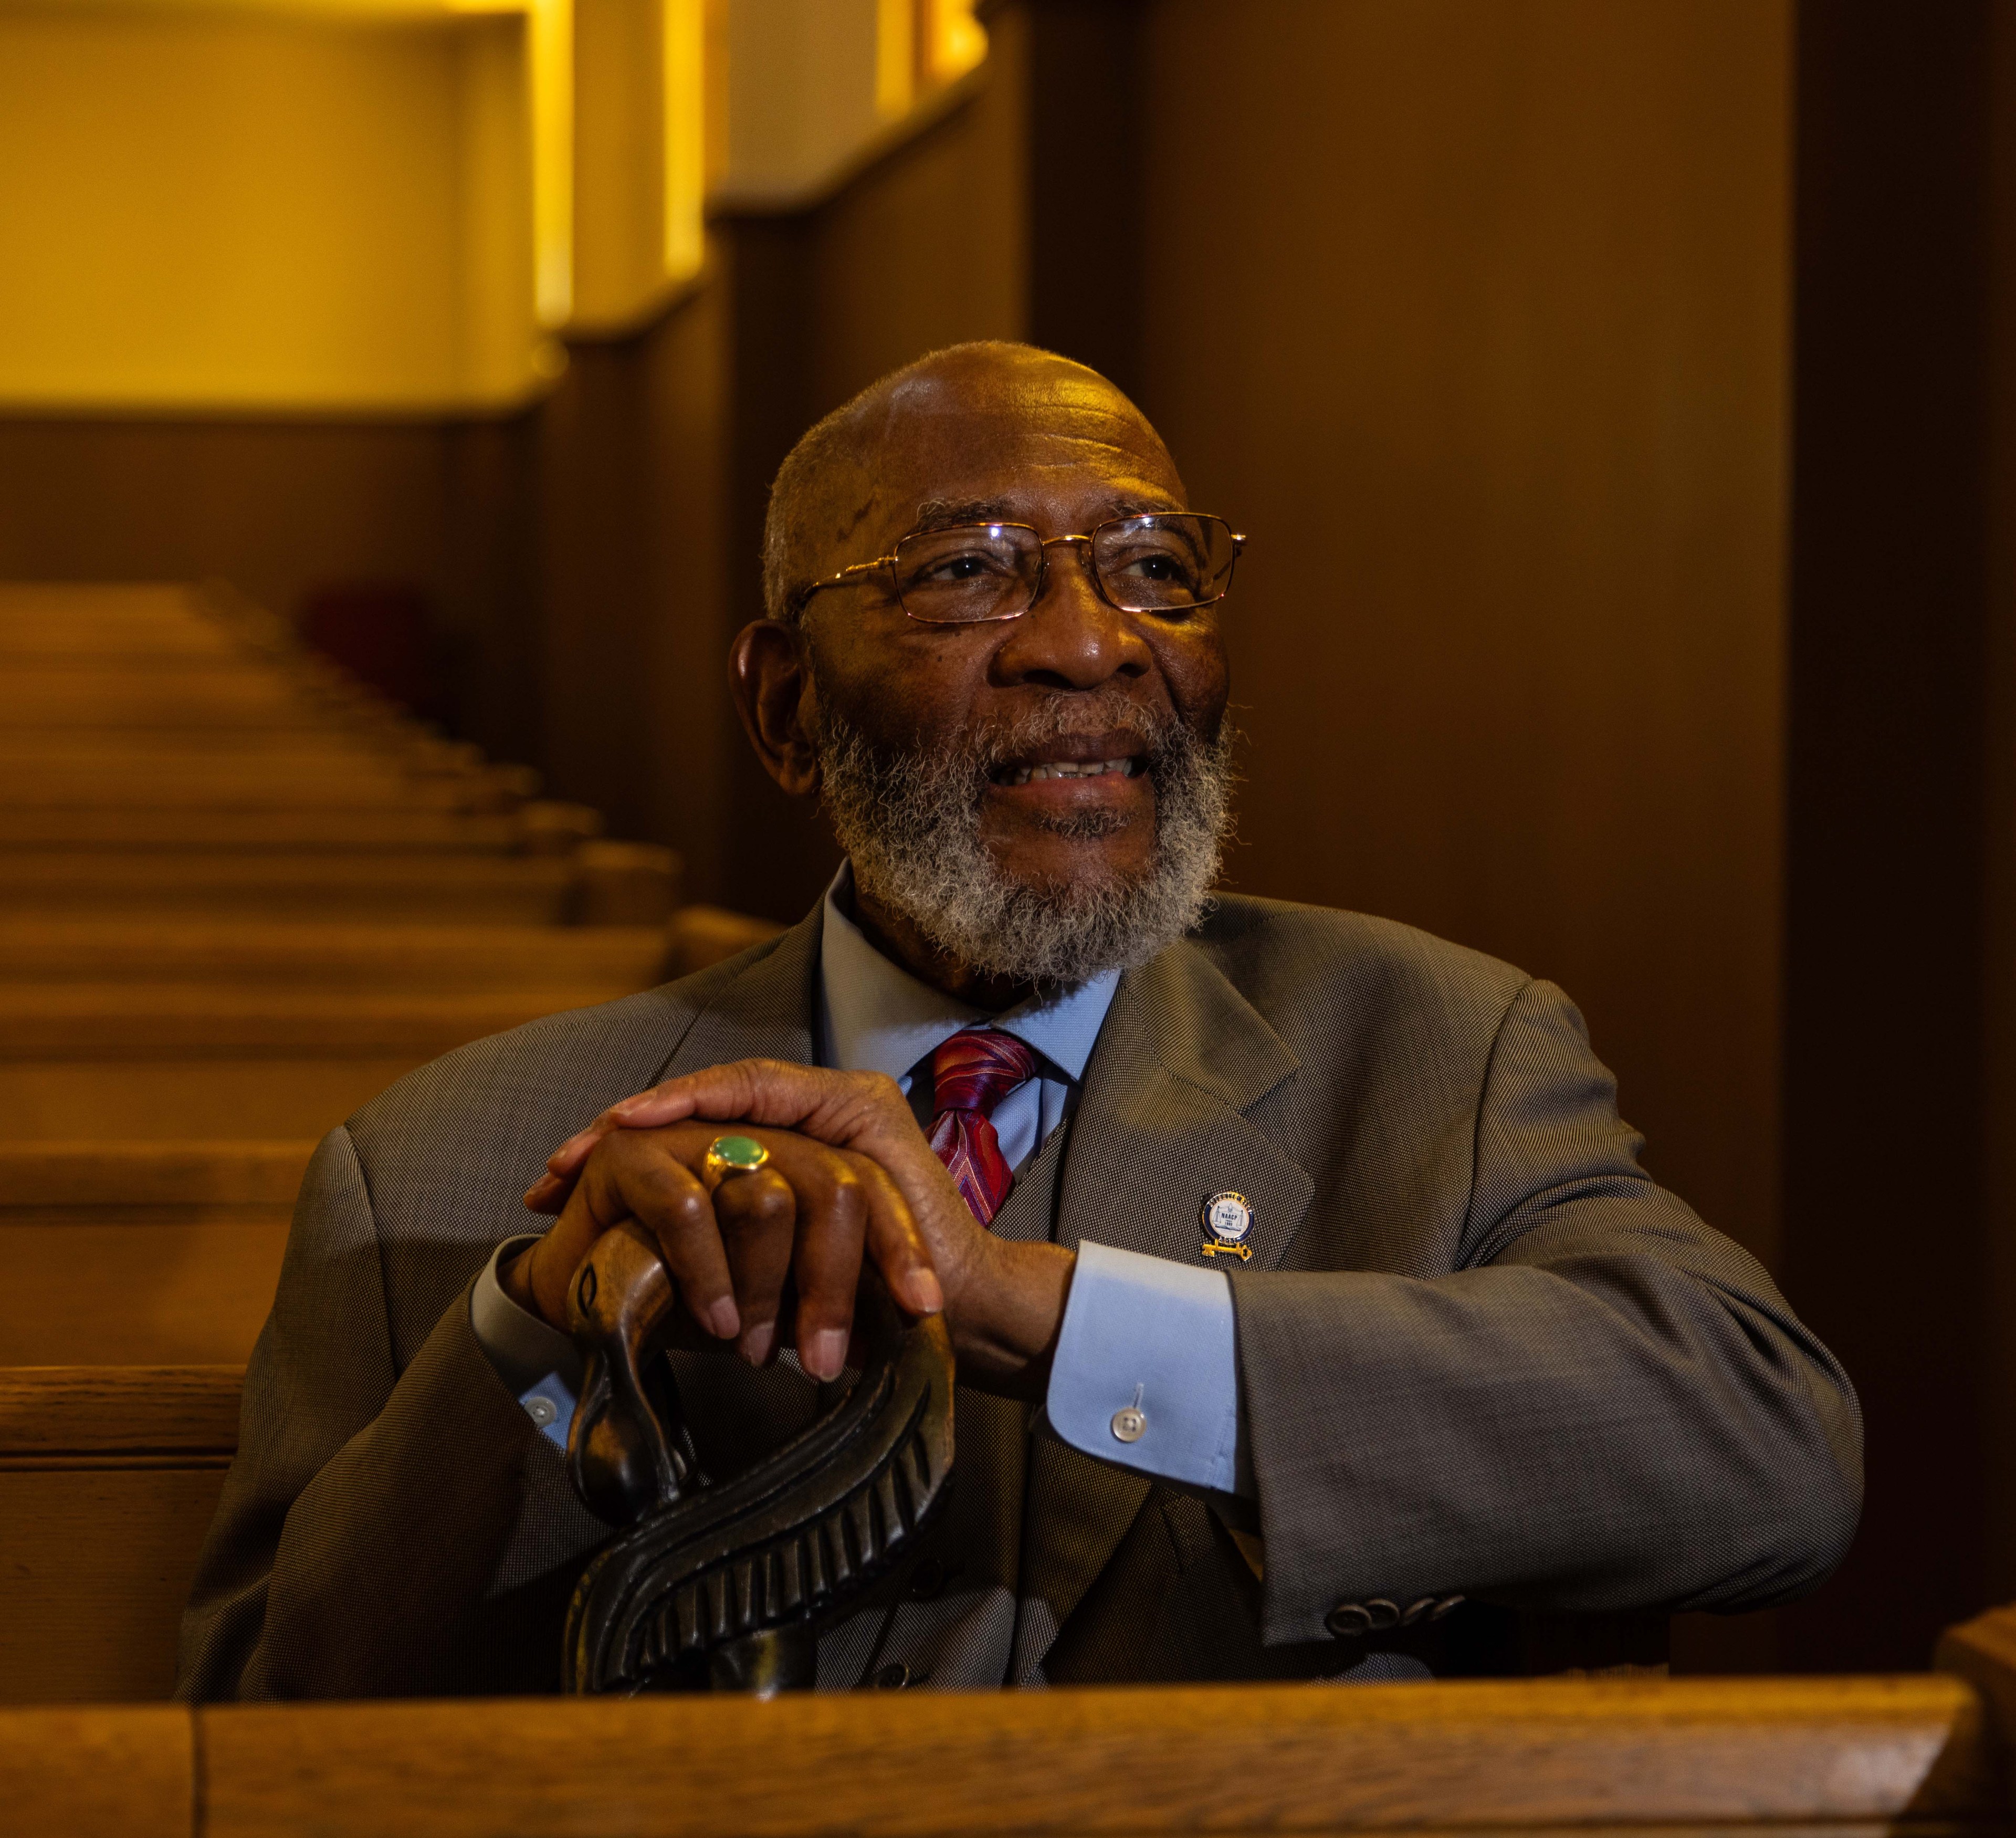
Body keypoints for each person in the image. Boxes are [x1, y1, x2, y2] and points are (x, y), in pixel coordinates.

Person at [177, 341, 1860, 1698]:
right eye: (969, 575)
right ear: (784, 705)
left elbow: (1770, 1452)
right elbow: (270, 1729)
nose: (1089, 643)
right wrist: (542, 1340)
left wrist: (1040, 1311)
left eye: (1155, 571)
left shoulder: (1436, 1053)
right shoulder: (441, 1174)